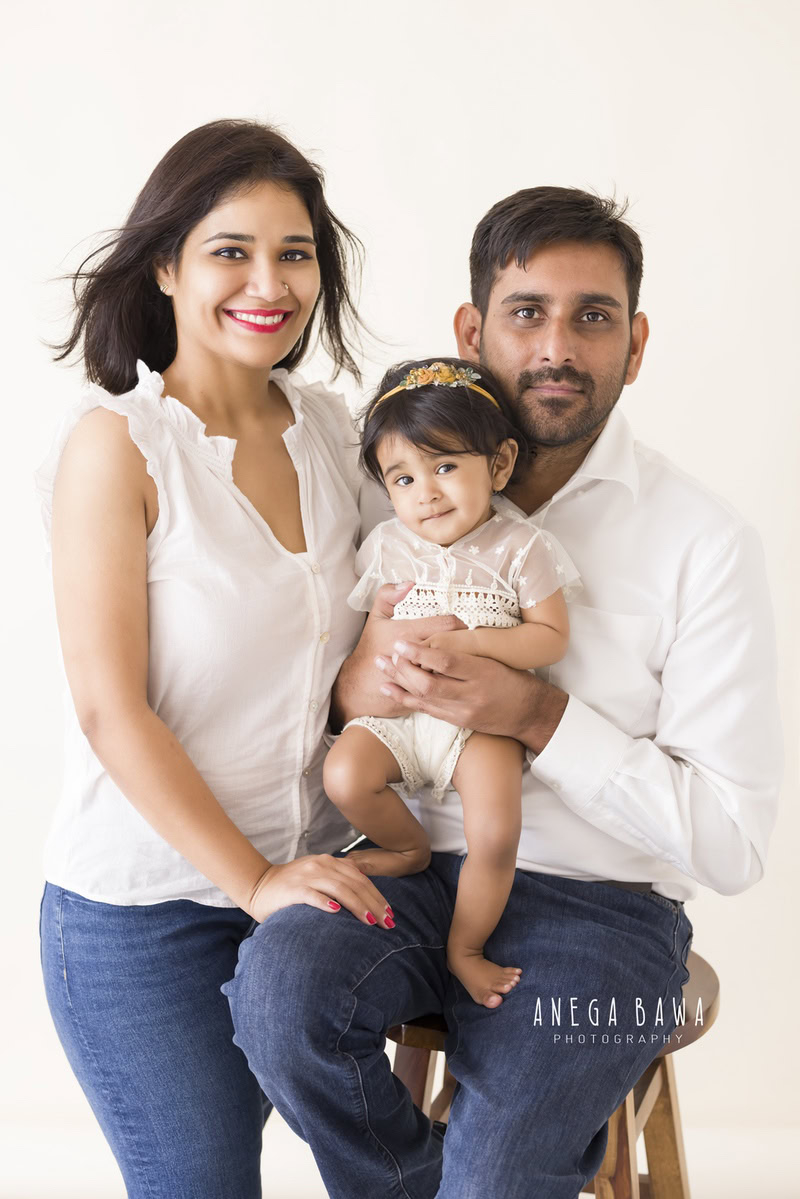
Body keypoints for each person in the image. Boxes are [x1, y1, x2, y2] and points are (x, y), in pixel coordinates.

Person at [224, 187, 783, 1199]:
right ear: (471, 329)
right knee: (277, 990)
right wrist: (363, 678)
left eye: (592, 316)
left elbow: (731, 843)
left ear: (636, 342)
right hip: (408, 870)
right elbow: (320, 695)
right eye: (527, 312)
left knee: (497, 1179)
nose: (557, 346)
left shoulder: (702, 543)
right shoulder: (390, 492)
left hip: (600, 922)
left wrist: (535, 714)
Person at [35, 118, 399, 1199]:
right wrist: (255, 882)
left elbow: (394, 618)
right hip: (143, 914)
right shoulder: (117, 446)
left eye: (294, 253)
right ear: (165, 265)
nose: (268, 282)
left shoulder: (338, 434)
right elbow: (112, 710)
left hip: (311, 894)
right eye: (229, 250)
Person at [324, 356, 579, 1008]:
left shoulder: (521, 547)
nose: (425, 493)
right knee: (345, 773)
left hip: (482, 725)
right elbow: (364, 642)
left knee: (494, 831)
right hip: (404, 717)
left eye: (444, 467)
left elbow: (549, 636)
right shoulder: (387, 545)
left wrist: (468, 642)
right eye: (402, 478)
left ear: (497, 465)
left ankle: (465, 948)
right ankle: (405, 846)